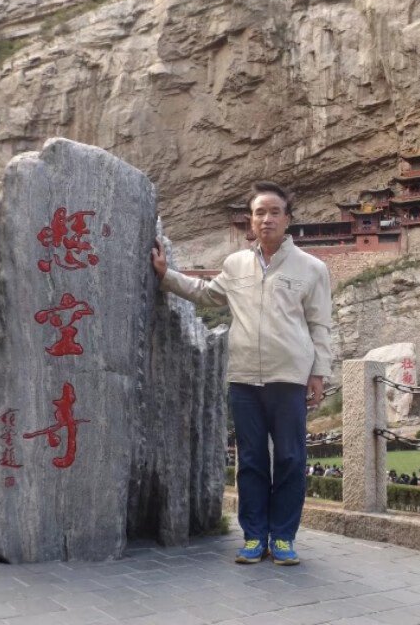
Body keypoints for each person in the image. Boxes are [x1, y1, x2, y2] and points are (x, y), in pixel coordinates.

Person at [152, 180, 332, 566]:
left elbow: (320, 325)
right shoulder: (236, 265)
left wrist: (319, 373)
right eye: (259, 213)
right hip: (244, 379)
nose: (267, 219)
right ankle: (253, 536)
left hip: (289, 377)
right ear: (250, 221)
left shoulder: (312, 268)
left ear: (288, 219)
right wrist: (167, 275)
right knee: (250, 460)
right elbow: (205, 294)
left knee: (290, 458)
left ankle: (282, 537)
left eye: (274, 212)